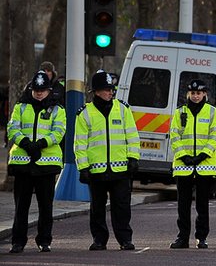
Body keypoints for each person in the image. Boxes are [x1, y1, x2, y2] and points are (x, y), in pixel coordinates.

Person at [74, 70, 140, 251]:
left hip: (120, 169)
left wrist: (133, 158)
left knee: (122, 207)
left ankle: (125, 239)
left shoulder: (123, 109)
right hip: (97, 170)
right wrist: (83, 168)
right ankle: (99, 240)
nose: (111, 92)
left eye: (112, 89)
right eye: (106, 89)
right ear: (96, 91)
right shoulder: (85, 113)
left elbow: (132, 136)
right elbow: (80, 143)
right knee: (97, 208)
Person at [7, 71, 65, 253]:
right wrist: (24, 143)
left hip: (46, 165)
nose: (39, 93)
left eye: (43, 90)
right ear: (31, 89)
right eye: (36, 90)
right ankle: (18, 242)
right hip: (23, 164)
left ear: (49, 90)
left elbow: (58, 132)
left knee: (45, 207)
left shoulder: (57, 109)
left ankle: (44, 240)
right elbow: (12, 128)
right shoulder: (21, 107)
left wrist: (41, 144)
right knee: (21, 207)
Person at [169, 79, 216, 249]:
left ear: (205, 93)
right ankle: (182, 238)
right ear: (188, 94)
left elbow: (215, 137)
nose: (196, 96)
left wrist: (202, 155)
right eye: (193, 93)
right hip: (183, 166)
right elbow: (174, 136)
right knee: (182, 205)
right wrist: (184, 156)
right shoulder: (180, 112)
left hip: (204, 165)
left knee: (202, 205)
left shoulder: (212, 112)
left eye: (199, 93)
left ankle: (202, 237)